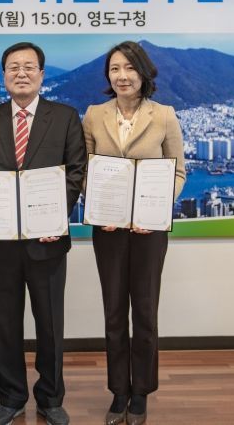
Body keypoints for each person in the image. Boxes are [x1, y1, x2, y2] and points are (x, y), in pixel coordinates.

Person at [0, 42, 87, 425]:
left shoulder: (65, 116)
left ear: (41, 74)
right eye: (13, 67)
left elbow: (75, 171)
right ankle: (11, 397)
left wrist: (55, 219)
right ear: (4, 76)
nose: (21, 73)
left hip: (47, 241)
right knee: (5, 323)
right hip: (1, 242)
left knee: (50, 323)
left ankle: (51, 398)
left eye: (29, 66)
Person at [82, 41, 186, 425]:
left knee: (144, 310)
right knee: (113, 312)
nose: (122, 76)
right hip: (108, 229)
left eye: (129, 68)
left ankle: (140, 392)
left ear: (143, 73)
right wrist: (97, 206)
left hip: (148, 230)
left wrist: (154, 211)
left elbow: (178, 172)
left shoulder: (165, 116)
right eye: (114, 69)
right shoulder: (94, 115)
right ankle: (118, 391)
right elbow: (85, 170)